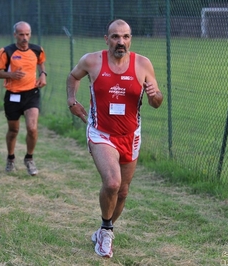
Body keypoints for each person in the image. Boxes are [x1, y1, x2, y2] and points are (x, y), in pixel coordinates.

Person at [66, 19, 163, 258]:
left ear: (131, 39)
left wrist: (155, 95)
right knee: (112, 182)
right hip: (101, 132)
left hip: (130, 135)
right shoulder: (92, 60)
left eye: (126, 37)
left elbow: (156, 101)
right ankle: (107, 232)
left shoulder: (142, 64)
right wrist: (72, 101)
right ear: (106, 39)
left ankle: (103, 229)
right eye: (116, 37)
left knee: (123, 191)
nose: (121, 42)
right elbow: (73, 76)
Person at [0, 21, 47, 176]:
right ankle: (10, 158)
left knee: (32, 128)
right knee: (14, 129)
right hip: (13, 95)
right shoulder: (6, 52)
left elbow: (41, 62)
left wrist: (43, 74)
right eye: (21, 34)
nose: (24, 37)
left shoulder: (37, 50)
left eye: (27, 34)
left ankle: (29, 158)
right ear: (15, 34)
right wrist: (10, 75)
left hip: (31, 94)